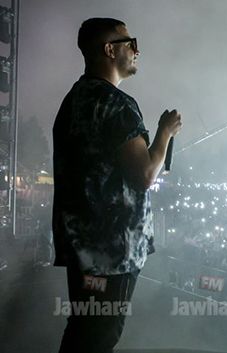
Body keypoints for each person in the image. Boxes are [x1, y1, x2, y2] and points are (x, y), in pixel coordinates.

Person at [52, 18, 183, 353]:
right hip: (114, 252)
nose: (136, 50)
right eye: (130, 42)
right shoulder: (118, 105)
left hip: (82, 247)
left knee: (84, 327)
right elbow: (144, 176)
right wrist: (165, 132)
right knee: (99, 336)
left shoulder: (73, 101)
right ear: (109, 50)